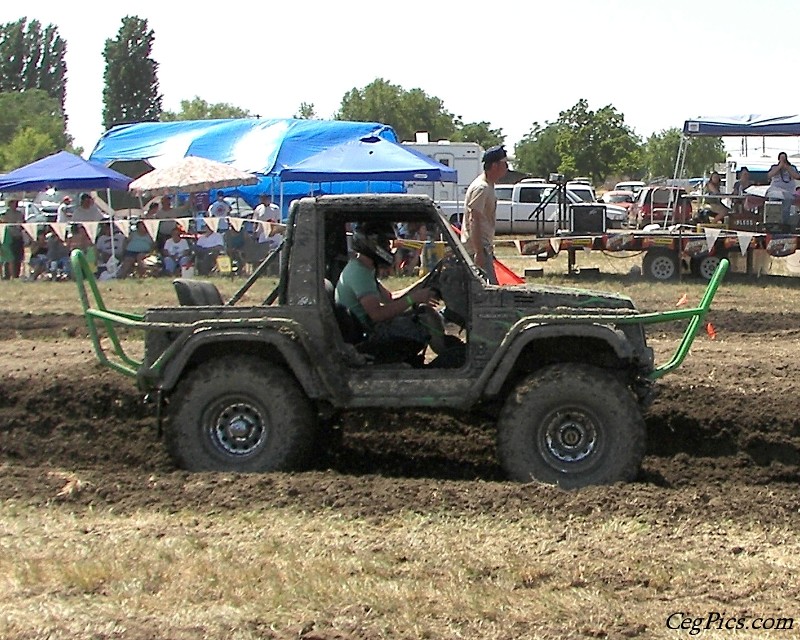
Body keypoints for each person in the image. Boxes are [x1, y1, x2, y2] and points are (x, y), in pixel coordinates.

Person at [334, 221, 441, 364]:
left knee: (426, 313)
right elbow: (377, 314)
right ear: (372, 243)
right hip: (368, 336)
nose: (388, 249)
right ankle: (447, 358)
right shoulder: (359, 273)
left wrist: (420, 285)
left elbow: (390, 298)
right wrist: (414, 299)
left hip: (369, 328)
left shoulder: (364, 268)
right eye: (385, 244)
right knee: (426, 317)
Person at [460, 145, 509, 284]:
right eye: (504, 164)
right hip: (476, 248)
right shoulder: (481, 188)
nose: (507, 167)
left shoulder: (489, 185)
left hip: (483, 247)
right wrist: (479, 252)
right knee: (489, 292)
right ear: (494, 165)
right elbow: (474, 220)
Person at [766, 152, 800, 226]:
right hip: (775, 191)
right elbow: (769, 175)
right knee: (773, 207)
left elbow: (797, 176)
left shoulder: (792, 167)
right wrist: (779, 166)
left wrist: (787, 168)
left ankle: (785, 225)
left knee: (785, 209)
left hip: (788, 191)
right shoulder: (774, 167)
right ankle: (772, 224)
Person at [1, 199, 24, 279]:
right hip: (9, 237)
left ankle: (16, 275)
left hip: (18, 237)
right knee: (9, 257)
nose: (16, 204)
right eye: (14, 203)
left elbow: (22, 224)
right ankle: (7, 275)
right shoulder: (5, 214)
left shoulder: (20, 213)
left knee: (18, 257)